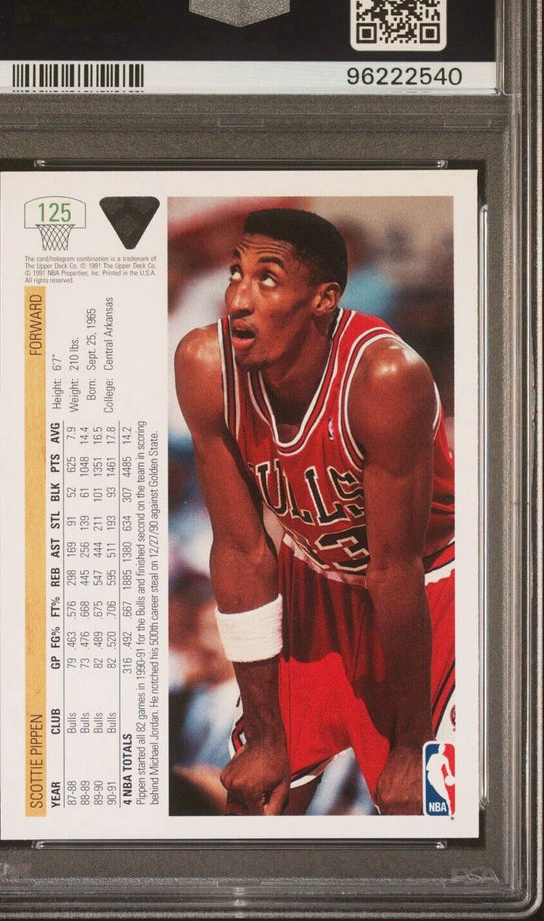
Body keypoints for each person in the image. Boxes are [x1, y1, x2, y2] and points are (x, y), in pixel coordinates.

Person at [174, 208, 455, 816]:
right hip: (314, 579)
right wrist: (265, 734)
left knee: (420, 807)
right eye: (235, 273)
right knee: (257, 797)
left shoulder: (385, 376)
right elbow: (241, 551)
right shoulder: (205, 365)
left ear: (323, 299)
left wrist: (413, 747)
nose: (238, 299)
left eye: (267, 279)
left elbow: (394, 569)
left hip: (428, 589)